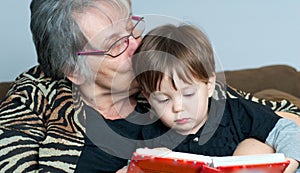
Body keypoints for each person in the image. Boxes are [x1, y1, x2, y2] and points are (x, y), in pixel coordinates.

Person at [0, 0, 299, 172]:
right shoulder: (34, 101)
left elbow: (283, 116)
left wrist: (255, 150)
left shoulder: (162, 72)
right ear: (72, 70)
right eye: (116, 42)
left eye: (131, 27)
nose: (135, 45)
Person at [132, 24, 300, 172]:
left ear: (210, 85)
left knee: (251, 147)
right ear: (148, 98)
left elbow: (288, 131)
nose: (178, 107)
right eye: (163, 99)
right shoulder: (150, 136)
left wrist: (289, 166)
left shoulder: (237, 112)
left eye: (189, 94)